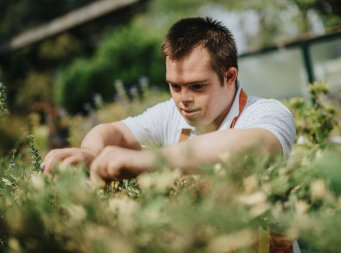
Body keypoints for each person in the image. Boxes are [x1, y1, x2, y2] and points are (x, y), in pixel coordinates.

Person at [43, 17, 296, 183]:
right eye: (174, 86)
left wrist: (149, 161)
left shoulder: (267, 113)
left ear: (229, 76)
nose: (183, 99)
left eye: (197, 86)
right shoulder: (170, 114)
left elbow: (256, 146)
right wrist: (90, 154)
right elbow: (114, 131)